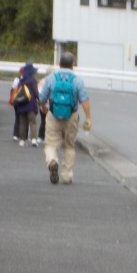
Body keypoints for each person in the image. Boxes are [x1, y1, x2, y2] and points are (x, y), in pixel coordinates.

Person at [38, 52, 91, 185]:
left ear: (59, 64)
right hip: (71, 116)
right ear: (73, 65)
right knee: (69, 146)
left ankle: (52, 161)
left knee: (51, 144)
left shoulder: (51, 78)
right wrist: (88, 118)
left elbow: (42, 98)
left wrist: (43, 108)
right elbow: (84, 100)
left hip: (53, 114)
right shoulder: (77, 80)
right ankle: (67, 176)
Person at [15, 62, 40, 146]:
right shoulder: (33, 80)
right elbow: (36, 93)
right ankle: (33, 139)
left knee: (22, 122)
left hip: (22, 103)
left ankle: (22, 140)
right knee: (32, 122)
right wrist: (39, 100)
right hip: (31, 104)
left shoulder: (21, 80)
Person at [10, 67, 24, 142]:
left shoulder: (17, 79)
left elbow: (13, 89)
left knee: (17, 118)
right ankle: (22, 135)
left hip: (16, 101)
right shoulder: (27, 80)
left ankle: (16, 134)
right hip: (24, 100)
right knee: (23, 118)